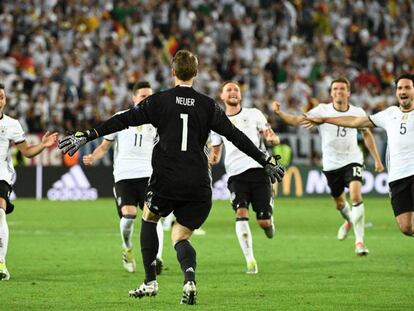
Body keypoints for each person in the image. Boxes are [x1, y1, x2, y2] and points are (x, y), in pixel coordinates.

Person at [58, 50, 285, 305]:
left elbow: (123, 120)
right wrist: (264, 159)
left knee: (149, 218)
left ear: (173, 72)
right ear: (196, 74)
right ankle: (189, 279)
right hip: (199, 184)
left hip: (167, 179)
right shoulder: (209, 104)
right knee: (180, 236)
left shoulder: (159, 101)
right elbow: (237, 137)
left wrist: (87, 134)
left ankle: (150, 281)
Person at [273, 77, 384, 256]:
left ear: (348, 92)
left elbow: (367, 134)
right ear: (331, 92)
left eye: (342, 89)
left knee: (356, 196)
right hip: (331, 165)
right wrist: (280, 113)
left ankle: (359, 242)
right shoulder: (321, 110)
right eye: (335, 89)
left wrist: (377, 160)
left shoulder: (357, 111)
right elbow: (297, 120)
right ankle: (349, 221)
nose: (339, 92)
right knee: (340, 203)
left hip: (353, 159)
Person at [305, 73, 414, 237]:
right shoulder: (390, 114)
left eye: (407, 87)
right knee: (406, 227)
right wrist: (326, 119)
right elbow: (356, 122)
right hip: (398, 177)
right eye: (400, 88)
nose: (403, 91)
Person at [82, 81, 164, 274]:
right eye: (143, 96)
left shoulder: (158, 121)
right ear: (134, 98)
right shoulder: (120, 118)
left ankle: (157, 258)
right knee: (129, 216)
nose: (147, 99)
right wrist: (93, 156)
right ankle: (127, 248)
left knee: (153, 217)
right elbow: (105, 146)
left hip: (149, 176)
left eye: (150, 96)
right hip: (124, 176)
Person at [209, 81, 280, 274]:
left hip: (259, 170)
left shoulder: (254, 114)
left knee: (263, 221)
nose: (233, 92)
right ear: (222, 96)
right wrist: (209, 160)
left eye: (236, 90)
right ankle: (250, 261)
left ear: (240, 96)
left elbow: (269, 134)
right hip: (236, 175)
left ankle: (269, 223)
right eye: (228, 90)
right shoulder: (217, 121)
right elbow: (215, 153)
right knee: (241, 213)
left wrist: (272, 139)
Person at [0, 83, 58, 281]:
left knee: (0, 213)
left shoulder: (12, 124)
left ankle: (1, 263)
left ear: (5, 100)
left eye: (1, 97)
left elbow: (26, 151)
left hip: (1, 174)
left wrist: (42, 145)